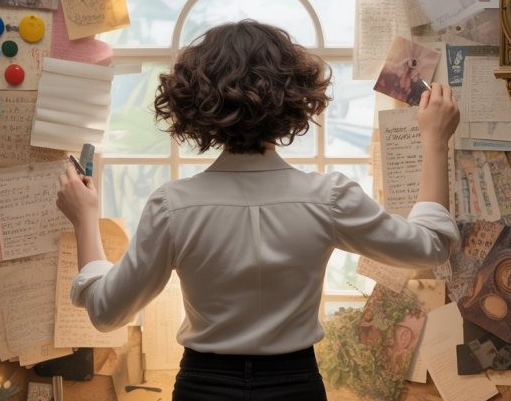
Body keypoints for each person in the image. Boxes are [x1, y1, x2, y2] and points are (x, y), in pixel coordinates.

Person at [56, 20, 460, 400]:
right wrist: (435, 140)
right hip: (295, 386)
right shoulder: (328, 198)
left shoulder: (173, 207)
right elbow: (432, 245)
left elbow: (106, 312)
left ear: (194, 104)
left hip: (203, 387)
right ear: (295, 98)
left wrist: (84, 219)